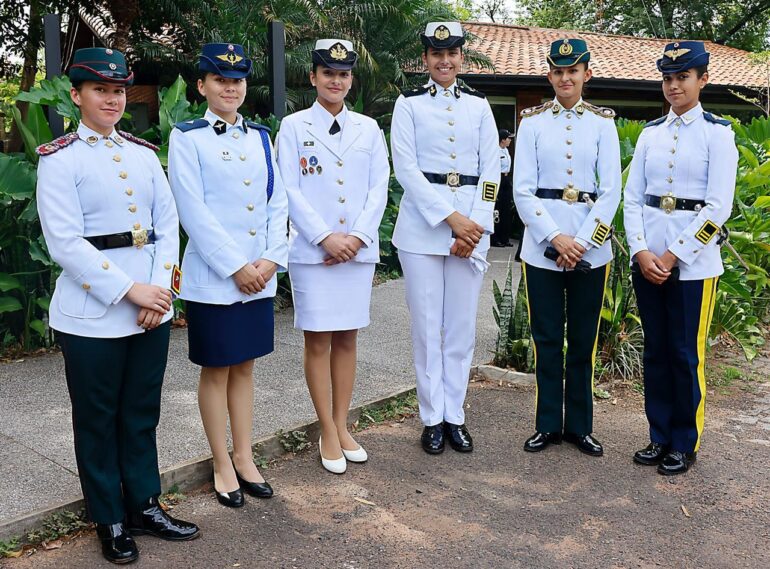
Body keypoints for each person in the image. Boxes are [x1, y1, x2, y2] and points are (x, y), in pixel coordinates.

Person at [36, 47, 199, 564]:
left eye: (118, 90)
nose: (111, 98)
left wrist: (161, 291)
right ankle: (108, 515)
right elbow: (65, 243)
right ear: (77, 94)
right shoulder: (60, 159)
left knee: (140, 414)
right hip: (93, 315)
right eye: (100, 90)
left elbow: (167, 227)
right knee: (98, 416)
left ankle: (145, 505)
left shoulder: (143, 155)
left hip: (152, 306)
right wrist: (131, 292)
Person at [168, 43, 288, 505]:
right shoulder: (188, 137)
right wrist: (236, 266)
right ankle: (221, 460)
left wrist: (271, 259)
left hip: (259, 273)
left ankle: (244, 455)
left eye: (237, 81)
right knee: (217, 369)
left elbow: (277, 202)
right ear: (203, 85)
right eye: (220, 80)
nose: (230, 88)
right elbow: (192, 211)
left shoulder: (260, 136)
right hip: (217, 278)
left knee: (245, 367)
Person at [624, 41, 737, 475]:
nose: (673, 86)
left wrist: (672, 256)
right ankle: (658, 436)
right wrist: (641, 250)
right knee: (655, 352)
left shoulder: (717, 134)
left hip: (692, 266)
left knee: (684, 354)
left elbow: (716, 209)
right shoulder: (651, 134)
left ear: (702, 79)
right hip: (648, 259)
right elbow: (632, 200)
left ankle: (684, 443)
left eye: (682, 77)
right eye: (668, 78)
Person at [276, 39, 389, 474]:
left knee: (347, 338)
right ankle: (326, 429)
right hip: (314, 252)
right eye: (328, 73)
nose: (336, 80)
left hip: (356, 253)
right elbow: (288, 188)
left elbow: (379, 186)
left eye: (343, 74)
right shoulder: (293, 127)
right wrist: (326, 237)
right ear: (313, 77)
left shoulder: (368, 129)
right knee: (318, 340)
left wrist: (356, 237)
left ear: (350, 79)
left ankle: (342, 426)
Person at [391, 22, 500, 455]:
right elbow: (407, 170)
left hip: (470, 232)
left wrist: (474, 224)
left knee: (460, 329)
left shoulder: (479, 105)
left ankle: (455, 414)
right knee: (425, 329)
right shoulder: (409, 104)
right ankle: (431, 417)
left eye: (452, 52)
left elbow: (491, 170)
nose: (444, 60)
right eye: (436, 54)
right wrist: (452, 219)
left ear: (462, 57)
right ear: (425, 59)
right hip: (423, 231)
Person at [513, 38, 621, 457]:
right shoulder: (534, 123)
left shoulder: (602, 124)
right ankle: (546, 425)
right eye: (557, 71)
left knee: (582, 340)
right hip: (542, 247)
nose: (565, 78)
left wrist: (582, 242)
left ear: (586, 74)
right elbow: (522, 191)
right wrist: (554, 237)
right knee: (545, 339)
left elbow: (610, 191)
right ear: (549, 76)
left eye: (572, 70)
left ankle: (579, 426)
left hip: (590, 251)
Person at [491, 128, 514, 247]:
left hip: (506, 179)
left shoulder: (506, 151)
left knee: (506, 210)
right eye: (508, 138)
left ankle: (505, 238)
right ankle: (495, 239)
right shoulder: (496, 151)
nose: (510, 140)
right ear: (502, 140)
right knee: (497, 210)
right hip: (498, 177)